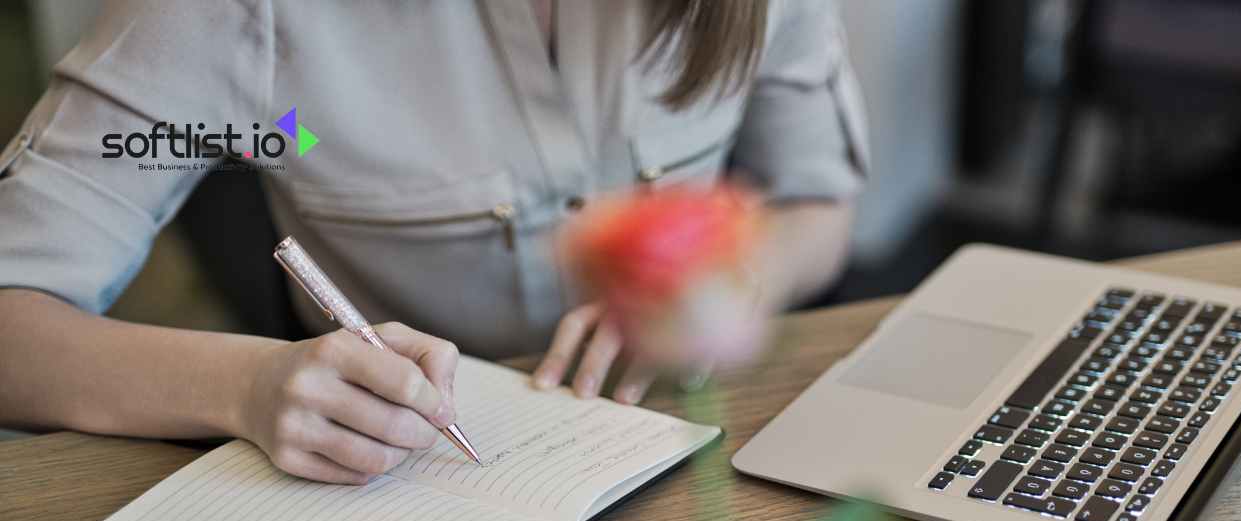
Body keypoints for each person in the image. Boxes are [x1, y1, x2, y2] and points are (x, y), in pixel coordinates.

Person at [0, 0, 868, 484]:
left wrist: (743, 277)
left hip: (702, 456)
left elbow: (819, 204)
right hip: (402, 485)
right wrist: (248, 383)